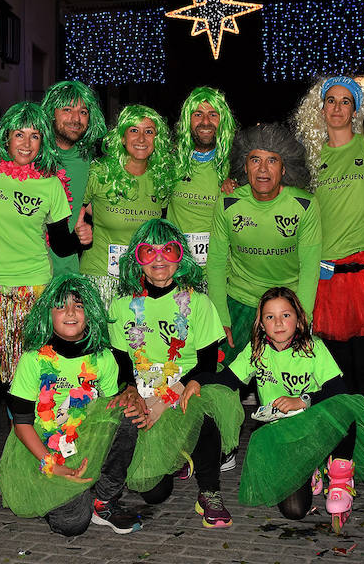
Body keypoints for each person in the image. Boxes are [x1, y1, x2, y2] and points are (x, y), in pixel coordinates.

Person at [0, 102, 92, 501]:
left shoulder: (50, 185)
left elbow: (58, 242)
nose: (26, 143)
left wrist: (80, 238)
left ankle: (36, 460)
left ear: (43, 142)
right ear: (5, 137)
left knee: (31, 388)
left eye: (35, 135)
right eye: (19, 134)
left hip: (34, 296)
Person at [217, 287, 364, 532]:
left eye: (286, 315)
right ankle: (312, 468)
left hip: (319, 429)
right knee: (294, 511)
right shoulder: (256, 350)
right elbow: (228, 380)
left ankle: (340, 478)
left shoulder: (313, 347)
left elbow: (339, 390)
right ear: (261, 324)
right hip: (285, 438)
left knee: (345, 405)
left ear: (298, 318)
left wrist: (303, 400)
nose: (279, 323)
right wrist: (193, 382)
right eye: (270, 317)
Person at [108, 218, 243, 528]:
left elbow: (207, 363)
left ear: (180, 256)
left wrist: (165, 399)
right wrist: (131, 391)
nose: (158, 259)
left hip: (187, 383)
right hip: (143, 387)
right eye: (148, 251)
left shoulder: (198, 303)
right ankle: (178, 454)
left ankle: (209, 492)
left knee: (202, 406)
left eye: (168, 250)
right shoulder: (121, 306)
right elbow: (119, 361)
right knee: (155, 493)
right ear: (136, 259)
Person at [0, 274, 142, 535]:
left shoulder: (104, 358)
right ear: (48, 315)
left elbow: (108, 410)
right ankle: (58, 491)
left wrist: (130, 399)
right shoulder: (33, 359)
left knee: (126, 414)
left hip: (85, 436)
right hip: (41, 446)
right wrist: (50, 464)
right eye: (61, 306)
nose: (71, 312)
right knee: (72, 524)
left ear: (91, 312)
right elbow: (21, 424)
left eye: (79, 305)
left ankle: (105, 500)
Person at [294, 76, 364, 408]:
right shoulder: (306, 160)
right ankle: (340, 452)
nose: (337, 107)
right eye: (330, 100)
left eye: (345, 101)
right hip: (327, 276)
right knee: (336, 374)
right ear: (320, 108)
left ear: (356, 110)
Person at [206, 123, 321, 368]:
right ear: (244, 165)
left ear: (284, 167)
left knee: (285, 382)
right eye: (255, 160)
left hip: (286, 307)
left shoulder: (304, 205)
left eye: (272, 161)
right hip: (239, 303)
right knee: (223, 381)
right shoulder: (227, 203)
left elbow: (310, 267)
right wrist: (221, 318)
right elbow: (215, 263)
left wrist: (301, 319)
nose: (263, 169)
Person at [80, 105, 179, 305]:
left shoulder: (162, 178)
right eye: (134, 130)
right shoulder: (100, 172)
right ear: (122, 138)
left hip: (143, 281)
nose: (141, 139)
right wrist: (79, 223)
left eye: (149, 132)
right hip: (100, 278)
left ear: (156, 140)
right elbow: (71, 204)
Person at [41, 81, 107, 276]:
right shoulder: (31, 153)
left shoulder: (92, 162)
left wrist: (86, 227)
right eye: (67, 109)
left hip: (67, 271)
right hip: (26, 271)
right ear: (51, 112)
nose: (76, 119)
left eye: (83, 112)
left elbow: (97, 207)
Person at [167, 86, 238, 267]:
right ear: (187, 120)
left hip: (221, 271)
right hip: (177, 270)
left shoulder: (238, 165)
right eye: (198, 114)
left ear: (223, 121)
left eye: (213, 115)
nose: (205, 122)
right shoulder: (169, 162)